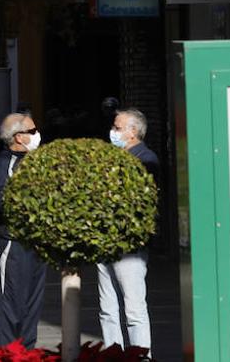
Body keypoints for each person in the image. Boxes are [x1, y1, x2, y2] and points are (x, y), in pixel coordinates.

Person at [97, 108, 159, 352]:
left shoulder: (146, 159)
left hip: (129, 245)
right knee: (107, 308)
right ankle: (114, 354)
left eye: (118, 127)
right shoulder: (113, 157)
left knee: (134, 309)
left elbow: (143, 201)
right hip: (106, 241)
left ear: (133, 132)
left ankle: (141, 353)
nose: (113, 131)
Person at [0, 112, 47, 348]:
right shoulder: (3, 164)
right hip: (13, 244)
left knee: (32, 308)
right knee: (10, 306)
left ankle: (27, 353)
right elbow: (0, 202)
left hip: (36, 243)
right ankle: (5, 354)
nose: (37, 135)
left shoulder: (37, 161)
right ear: (19, 137)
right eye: (32, 131)